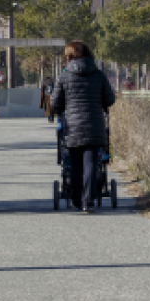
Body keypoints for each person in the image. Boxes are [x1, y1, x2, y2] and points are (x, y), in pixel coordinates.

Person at [51, 40, 115, 213]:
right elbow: (109, 99)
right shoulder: (99, 74)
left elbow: (55, 102)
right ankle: (89, 201)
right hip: (95, 125)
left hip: (72, 126)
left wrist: (60, 110)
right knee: (91, 165)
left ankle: (76, 200)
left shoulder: (64, 76)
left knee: (76, 165)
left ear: (69, 57)